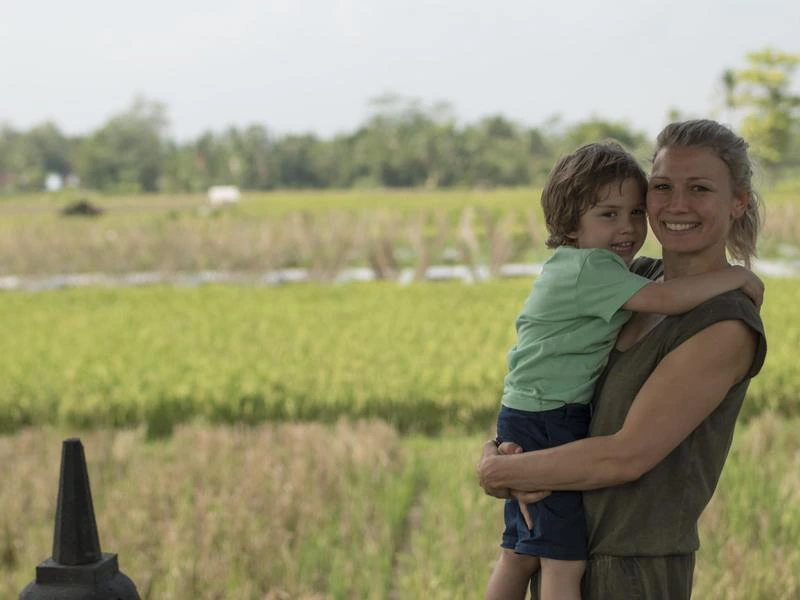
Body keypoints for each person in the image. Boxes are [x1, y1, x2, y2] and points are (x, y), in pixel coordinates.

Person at [477, 119, 768, 599]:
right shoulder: (634, 279)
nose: (676, 204)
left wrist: (499, 472)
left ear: (737, 201)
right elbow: (551, 372)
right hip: (565, 552)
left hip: (633, 574)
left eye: (698, 188)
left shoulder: (723, 323)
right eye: (662, 187)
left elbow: (625, 455)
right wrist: (503, 452)